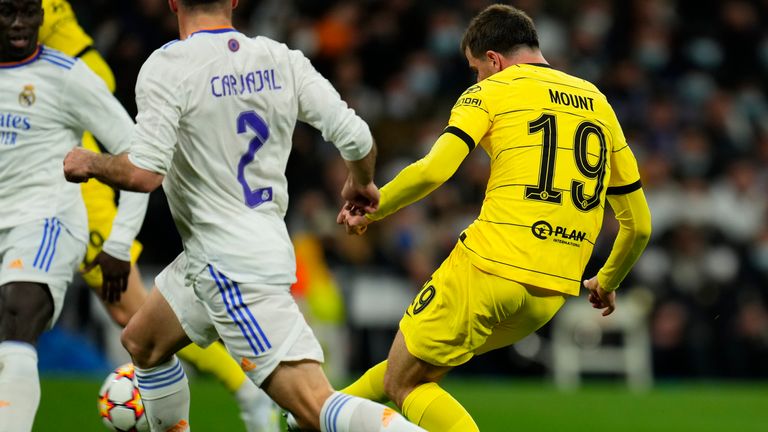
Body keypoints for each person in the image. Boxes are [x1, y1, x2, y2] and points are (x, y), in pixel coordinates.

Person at [62, 1, 426, 431]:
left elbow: (143, 173)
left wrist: (90, 162)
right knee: (144, 342)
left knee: (313, 408)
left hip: (230, 269)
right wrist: (360, 182)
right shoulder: (281, 59)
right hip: (237, 249)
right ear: (234, 0)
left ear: (174, 2)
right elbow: (357, 137)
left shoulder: (167, 66)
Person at [337, 4, 653, 431]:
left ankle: (306, 414)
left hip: (489, 267)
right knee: (412, 366)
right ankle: (305, 416)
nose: (476, 78)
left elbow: (433, 170)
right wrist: (608, 280)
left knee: (404, 384)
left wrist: (373, 207)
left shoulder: (491, 91)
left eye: (475, 68)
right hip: (550, 292)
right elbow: (639, 224)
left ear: (494, 60)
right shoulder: (597, 102)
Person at [37, 1, 280, 429]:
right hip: (43, 142)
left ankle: (245, 387)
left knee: (132, 314)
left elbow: (99, 85)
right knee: (132, 320)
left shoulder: (39, 23)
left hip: (71, 138)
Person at [0, 0, 148, 430]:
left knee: (17, 310)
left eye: (30, 12)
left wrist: (120, 242)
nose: (20, 24)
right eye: (8, 12)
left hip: (46, 219)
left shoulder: (66, 76)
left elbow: (138, 154)